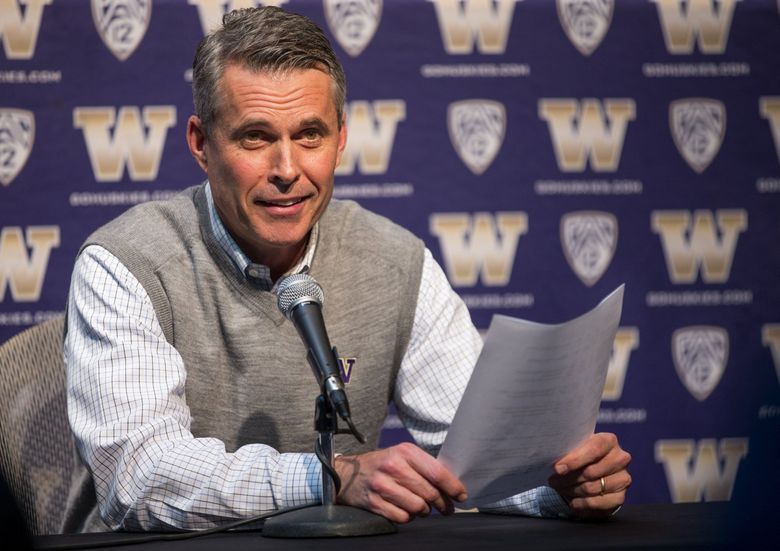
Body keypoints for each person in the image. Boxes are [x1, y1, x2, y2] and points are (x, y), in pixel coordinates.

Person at [63, 6, 631, 532]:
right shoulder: (126, 264)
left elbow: (478, 455)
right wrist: (331, 476)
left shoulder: (393, 260)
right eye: (256, 137)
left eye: (309, 134)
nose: (287, 169)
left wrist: (559, 486)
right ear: (201, 143)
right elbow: (137, 479)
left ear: (340, 139)